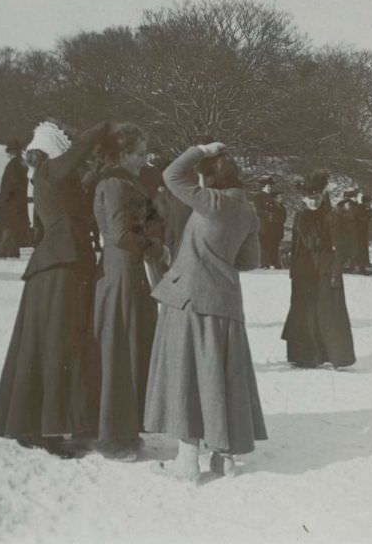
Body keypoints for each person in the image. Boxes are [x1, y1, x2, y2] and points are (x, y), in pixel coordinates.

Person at [144, 141, 267, 481]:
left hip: (191, 300)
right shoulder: (247, 211)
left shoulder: (211, 201)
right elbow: (250, 260)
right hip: (225, 301)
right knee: (220, 377)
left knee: (187, 376)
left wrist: (200, 148)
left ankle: (186, 461)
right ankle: (223, 458)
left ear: (208, 178)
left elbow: (171, 174)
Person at [0, 120, 109, 456]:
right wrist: (106, 127)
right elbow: (83, 144)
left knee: (44, 345)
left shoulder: (51, 178)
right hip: (60, 268)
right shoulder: (50, 171)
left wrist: (96, 172)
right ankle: (50, 430)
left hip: (56, 267)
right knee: (59, 344)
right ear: (53, 149)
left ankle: (35, 426)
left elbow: (76, 200)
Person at [93, 123, 161, 457]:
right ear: (123, 154)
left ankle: (125, 430)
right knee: (120, 350)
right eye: (139, 153)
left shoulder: (125, 182)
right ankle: (113, 437)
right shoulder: (115, 185)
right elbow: (119, 234)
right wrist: (153, 246)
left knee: (130, 348)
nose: (144, 159)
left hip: (128, 270)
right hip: (119, 272)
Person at [282, 171, 356, 370]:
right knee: (303, 311)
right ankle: (304, 356)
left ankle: (336, 355)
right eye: (309, 198)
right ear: (303, 198)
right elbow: (297, 243)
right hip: (304, 270)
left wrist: (336, 272)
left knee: (328, 312)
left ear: (322, 196)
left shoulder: (332, 217)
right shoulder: (300, 216)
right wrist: (293, 269)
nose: (313, 202)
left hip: (326, 269)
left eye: (316, 198)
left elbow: (342, 247)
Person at [0, 140, 29, 258]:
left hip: (10, 201)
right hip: (17, 200)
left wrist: (4, 195)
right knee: (12, 225)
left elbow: (11, 184)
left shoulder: (13, 164)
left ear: (13, 152)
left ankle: (3, 251)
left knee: (8, 225)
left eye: (10, 151)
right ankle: (11, 251)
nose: (9, 153)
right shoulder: (21, 164)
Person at [254, 176, 283, 269]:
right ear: (263, 187)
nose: (270, 188)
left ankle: (275, 262)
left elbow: (279, 209)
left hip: (274, 225)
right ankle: (264, 263)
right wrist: (268, 214)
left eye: (270, 186)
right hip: (264, 224)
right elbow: (258, 210)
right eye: (268, 186)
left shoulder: (272, 197)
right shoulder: (258, 196)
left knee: (274, 243)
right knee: (264, 244)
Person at [355, 190, 372, 274]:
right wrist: (368, 214)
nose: (370, 204)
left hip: (363, 233)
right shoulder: (360, 208)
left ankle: (363, 266)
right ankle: (361, 267)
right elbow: (362, 218)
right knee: (361, 250)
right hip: (359, 233)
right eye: (369, 202)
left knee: (363, 249)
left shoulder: (364, 209)